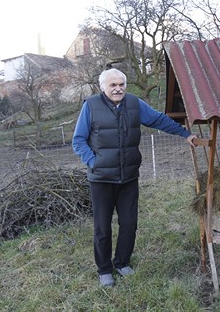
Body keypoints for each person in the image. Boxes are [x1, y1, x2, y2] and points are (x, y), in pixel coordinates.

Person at [72, 68, 197, 287]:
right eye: (113, 85)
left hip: (128, 177)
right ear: (103, 87)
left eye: (121, 84)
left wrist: (184, 133)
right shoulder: (90, 106)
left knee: (129, 223)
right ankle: (104, 270)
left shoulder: (134, 103)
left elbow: (159, 120)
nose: (118, 88)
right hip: (101, 180)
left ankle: (122, 263)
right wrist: (95, 163)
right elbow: (78, 140)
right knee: (102, 227)